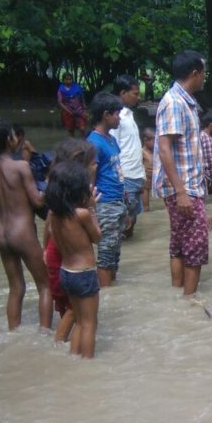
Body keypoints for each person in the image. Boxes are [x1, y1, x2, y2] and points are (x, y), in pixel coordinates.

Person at [0, 117, 52, 331]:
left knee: (16, 287)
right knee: (45, 286)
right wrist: (48, 185)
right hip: (23, 233)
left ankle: (13, 332)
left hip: (2, 234)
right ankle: (44, 333)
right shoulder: (21, 167)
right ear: (10, 140)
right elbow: (37, 201)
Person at [154, 50, 208, 296]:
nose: (205, 78)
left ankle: (178, 300)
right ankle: (189, 301)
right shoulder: (174, 103)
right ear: (195, 73)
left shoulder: (184, 102)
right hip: (183, 188)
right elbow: (165, 149)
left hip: (184, 187)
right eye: (203, 73)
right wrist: (181, 192)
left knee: (179, 244)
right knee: (196, 247)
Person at [46, 160, 102, 358]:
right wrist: (93, 209)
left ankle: (75, 359)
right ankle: (87, 364)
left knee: (79, 320)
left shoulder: (54, 215)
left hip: (66, 272)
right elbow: (97, 237)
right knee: (89, 324)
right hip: (84, 274)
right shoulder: (82, 214)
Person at [86, 92, 127, 287]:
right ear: (105, 115)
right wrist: (91, 207)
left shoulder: (110, 139)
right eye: (117, 114)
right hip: (105, 203)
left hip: (117, 200)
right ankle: (106, 290)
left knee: (114, 250)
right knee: (106, 251)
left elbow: (115, 169)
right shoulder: (94, 142)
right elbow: (90, 175)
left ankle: (112, 286)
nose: (119, 117)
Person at [110, 74, 146, 238]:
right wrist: (119, 178)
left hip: (136, 174)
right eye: (135, 93)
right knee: (125, 223)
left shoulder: (128, 115)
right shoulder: (116, 118)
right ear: (123, 93)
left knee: (132, 221)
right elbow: (113, 149)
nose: (138, 97)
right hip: (126, 176)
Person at [56, 72, 87, 138]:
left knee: (82, 128)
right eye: (66, 79)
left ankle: (83, 141)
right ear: (63, 80)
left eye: (70, 79)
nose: (68, 81)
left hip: (79, 110)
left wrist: (84, 106)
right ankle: (73, 144)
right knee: (71, 130)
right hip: (68, 112)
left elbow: (82, 97)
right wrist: (67, 111)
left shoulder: (77, 87)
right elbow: (60, 102)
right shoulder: (61, 89)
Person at [140, 127, 155, 211]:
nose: (154, 142)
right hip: (146, 177)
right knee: (145, 189)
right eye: (152, 140)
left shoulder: (156, 151)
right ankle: (146, 208)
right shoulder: (141, 152)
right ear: (145, 141)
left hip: (155, 176)